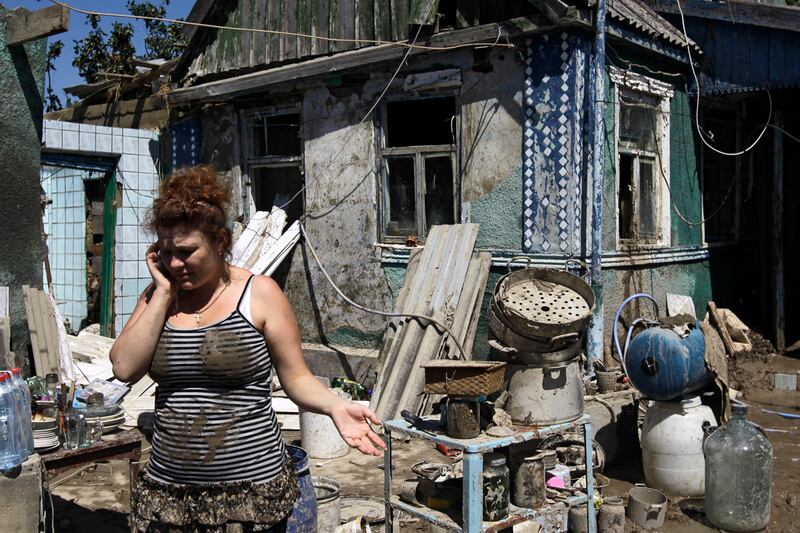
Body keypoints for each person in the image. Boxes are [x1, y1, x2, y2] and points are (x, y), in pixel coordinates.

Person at [110, 165, 385, 532]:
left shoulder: (260, 294)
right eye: (166, 251)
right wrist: (162, 292)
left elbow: (296, 376)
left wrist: (335, 405)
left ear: (221, 241)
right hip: (171, 496)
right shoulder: (160, 296)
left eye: (187, 251)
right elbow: (124, 368)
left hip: (251, 495)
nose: (176, 264)